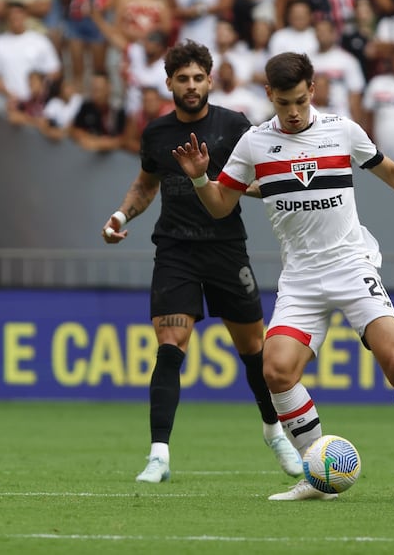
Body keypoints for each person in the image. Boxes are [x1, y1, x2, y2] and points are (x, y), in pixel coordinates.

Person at [171, 51, 394, 502]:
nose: (293, 112)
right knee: (275, 371)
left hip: (351, 265)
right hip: (300, 278)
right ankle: (318, 476)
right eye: (283, 103)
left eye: (299, 100)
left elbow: (390, 171)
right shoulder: (255, 144)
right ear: (269, 97)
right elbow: (221, 205)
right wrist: (202, 180)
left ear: (312, 90)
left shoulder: (342, 130)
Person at [101, 39, 302, 483]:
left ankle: (274, 434)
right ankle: (159, 456)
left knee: (255, 353)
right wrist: (120, 214)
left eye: (198, 78)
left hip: (226, 248)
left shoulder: (236, 127)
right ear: (169, 82)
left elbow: (258, 184)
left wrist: (210, 181)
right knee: (170, 348)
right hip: (175, 250)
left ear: (210, 80)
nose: (191, 86)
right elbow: (145, 186)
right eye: (182, 79)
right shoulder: (156, 133)